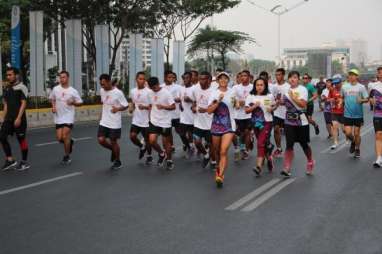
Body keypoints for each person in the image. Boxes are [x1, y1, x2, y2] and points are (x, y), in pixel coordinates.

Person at [280, 71, 314, 177]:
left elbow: (303, 104)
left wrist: (293, 97)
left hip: (301, 121)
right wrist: (277, 102)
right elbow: (283, 102)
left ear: (298, 79)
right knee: (289, 144)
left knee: (304, 144)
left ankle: (310, 161)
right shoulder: (286, 89)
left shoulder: (302, 89)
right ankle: (287, 168)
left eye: (294, 77)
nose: (292, 79)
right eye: (290, 77)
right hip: (289, 120)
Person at [207, 72, 236, 188]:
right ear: (218, 81)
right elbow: (209, 111)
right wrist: (218, 101)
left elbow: (235, 105)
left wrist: (238, 104)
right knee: (217, 151)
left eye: (225, 78)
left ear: (228, 80)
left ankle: (220, 175)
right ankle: (219, 169)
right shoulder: (214, 93)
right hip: (216, 125)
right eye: (221, 78)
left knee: (223, 151)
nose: (223, 80)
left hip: (229, 125)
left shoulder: (232, 92)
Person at [49, 71, 83, 165]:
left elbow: (80, 103)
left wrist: (73, 103)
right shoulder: (55, 89)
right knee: (60, 138)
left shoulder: (73, 91)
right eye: (60, 77)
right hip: (58, 116)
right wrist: (53, 106)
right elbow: (52, 98)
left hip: (68, 116)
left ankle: (67, 156)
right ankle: (70, 141)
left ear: (68, 78)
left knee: (64, 136)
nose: (62, 79)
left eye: (63, 77)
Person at [0, 67, 30, 171]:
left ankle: (24, 162)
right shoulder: (7, 88)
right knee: (2, 137)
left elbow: (23, 104)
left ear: (16, 75)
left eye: (10, 75)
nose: (8, 77)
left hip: (19, 119)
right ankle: (10, 160)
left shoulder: (22, 87)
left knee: (21, 140)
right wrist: (2, 118)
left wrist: (18, 118)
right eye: (7, 75)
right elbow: (6, 105)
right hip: (8, 119)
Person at [245, 78, 276, 176]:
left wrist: (272, 108)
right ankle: (269, 158)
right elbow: (246, 110)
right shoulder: (251, 96)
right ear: (255, 86)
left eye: (261, 85)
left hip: (267, 122)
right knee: (263, 143)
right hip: (256, 123)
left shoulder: (269, 96)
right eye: (257, 85)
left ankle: (258, 166)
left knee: (260, 143)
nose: (259, 87)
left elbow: (274, 106)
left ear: (265, 86)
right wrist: (254, 106)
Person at [97, 74, 128, 170]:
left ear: (109, 81)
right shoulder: (102, 90)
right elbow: (104, 104)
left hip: (114, 122)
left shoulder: (118, 93)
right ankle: (113, 150)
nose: (103, 86)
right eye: (101, 84)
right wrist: (101, 116)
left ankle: (118, 161)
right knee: (101, 140)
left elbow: (126, 105)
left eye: (104, 84)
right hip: (104, 121)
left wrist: (118, 109)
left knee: (113, 141)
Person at [147, 77, 176, 170]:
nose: (154, 89)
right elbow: (150, 105)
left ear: (158, 83)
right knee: (151, 141)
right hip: (154, 121)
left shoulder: (166, 93)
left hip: (165, 122)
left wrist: (163, 107)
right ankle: (161, 153)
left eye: (155, 87)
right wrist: (149, 115)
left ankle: (169, 160)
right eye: (152, 88)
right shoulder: (150, 93)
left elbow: (173, 107)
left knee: (166, 143)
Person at [342, 69, 369, 158]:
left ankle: (357, 149)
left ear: (357, 76)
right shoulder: (344, 87)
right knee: (347, 133)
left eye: (353, 75)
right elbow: (342, 97)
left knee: (357, 133)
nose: (351, 76)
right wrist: (339, 102)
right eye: (350, 74)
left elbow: (367, 98)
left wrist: (361, 100)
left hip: (358, 114)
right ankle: (353, 141)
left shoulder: (361, 87)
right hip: (347, 114)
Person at [192, 71, 215, 169]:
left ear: (209, 80)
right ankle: (206, 155)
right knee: (197, 142)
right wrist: (193, 108)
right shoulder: (195, 90)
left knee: (211, 144)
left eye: (203, 79)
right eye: (200, 79)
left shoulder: (214, 92)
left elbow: (216, 107)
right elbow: (194, 103)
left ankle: (213, 161)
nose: (201, 81)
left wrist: (205, 110)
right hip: (198, 122)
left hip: (210, 123)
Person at [129, 71, 152, 164]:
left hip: (146, 120)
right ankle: (142, 146)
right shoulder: (132, 91)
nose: (142, 81)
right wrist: (131, 108)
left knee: (147, 140)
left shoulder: (149, 92)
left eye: (143, 79)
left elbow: (153, 106)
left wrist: (145, 107)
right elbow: (133, 103)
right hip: (136, 120)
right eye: (140, 79)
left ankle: (149, 156)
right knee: (132, 136)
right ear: (136, 80)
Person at [232, 70, 253, 160]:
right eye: (242, 76)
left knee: (247, 132)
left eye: (245, 76)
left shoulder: (253, 87)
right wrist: (237, 102)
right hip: (238, 115)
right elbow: (232, 99)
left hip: (249, 115)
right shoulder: (236, 87)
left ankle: (246, 151)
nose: (243, 77)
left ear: (249, 77)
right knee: (238, 134)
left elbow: (255, 99)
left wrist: (247, 103)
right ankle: (239, 147)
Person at [270, 68, 290, 158]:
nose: (277, 76)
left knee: (289, 133)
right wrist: (274, 103)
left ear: (283, 75)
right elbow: (272, 98)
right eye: (276, 74)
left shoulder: (288, 87)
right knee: (276, 129)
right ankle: (279, 148)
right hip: (276, 112)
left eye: (279, 74)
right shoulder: (274, 87)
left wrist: (283, 102)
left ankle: (289, 149)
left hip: (287, 113)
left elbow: (292, 101)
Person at [161, 71, 182, 153]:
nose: (171, 79)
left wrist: (178, 99)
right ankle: (171, 145)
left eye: (173, 77)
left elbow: (181, 98)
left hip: (176, 113)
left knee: (179, 130)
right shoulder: (161, 87)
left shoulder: (178, 87)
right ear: (165, 78)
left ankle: (186, 143)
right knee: (168, 131)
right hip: (166, 114)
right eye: (169, 77)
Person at [179, 72, 196, 158]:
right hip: (183, 116)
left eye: (187, 78)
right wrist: (180, 105)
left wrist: (190, 100)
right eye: (184, 78)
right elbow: (181, 99)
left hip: (192, 116)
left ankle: (191, 147)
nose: (185, 80)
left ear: (191, 78)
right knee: (181, 133)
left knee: (190, 134)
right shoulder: (182, 89)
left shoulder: (194, 89)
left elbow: (197, 102)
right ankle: (189, 146)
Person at [368, 67, 382, 167]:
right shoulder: (373, 86)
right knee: (378, 134)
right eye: (379, 72)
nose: (380, 74)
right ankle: (378, 158)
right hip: (377, 114)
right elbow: (370, 97)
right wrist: (372, 101)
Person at [329, 75, 345, 150]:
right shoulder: (332, 90)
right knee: (334, 127)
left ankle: (348, 139)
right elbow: (329, 99)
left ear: (341, 82)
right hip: (334, 111)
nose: (336, 85)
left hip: (344, 112)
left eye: (337, 83)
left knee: (344, 130)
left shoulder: (345, 89)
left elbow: (348, 100)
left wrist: (341, 101)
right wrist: (333, 100)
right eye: (335, 83)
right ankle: (335, 142)